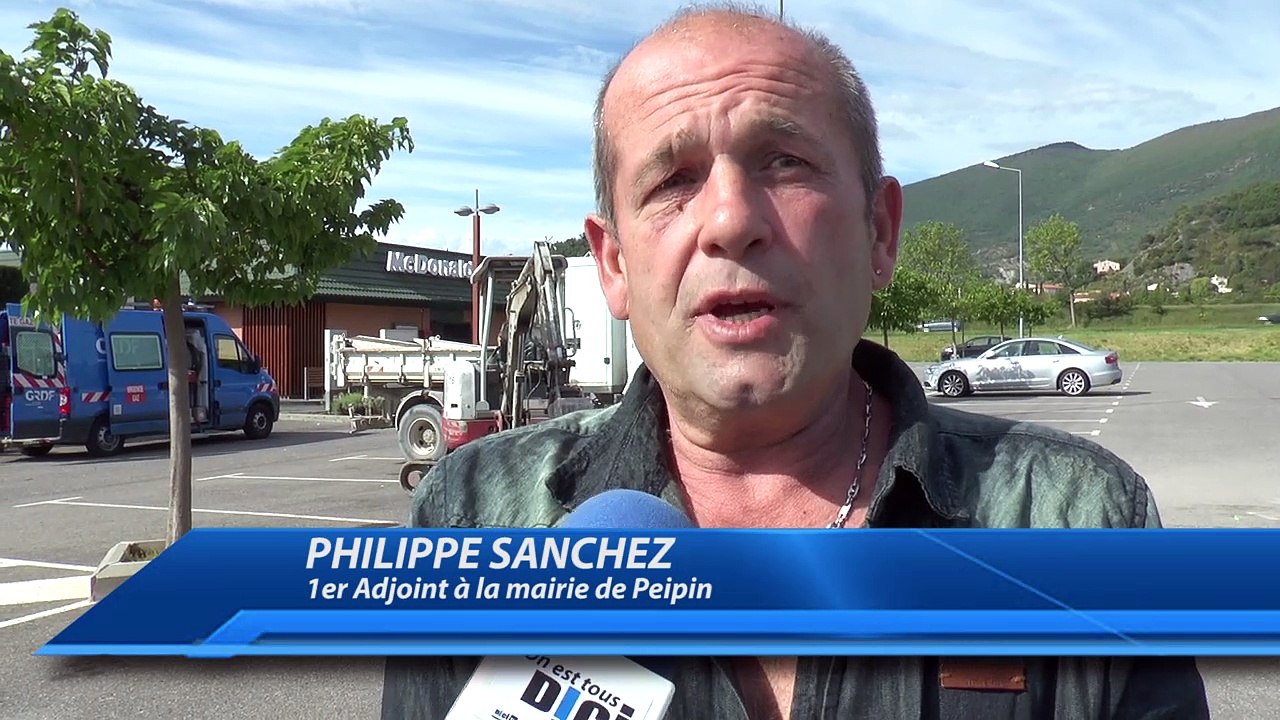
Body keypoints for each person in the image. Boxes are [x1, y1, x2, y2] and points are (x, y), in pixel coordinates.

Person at [381, 3, 1211, 718]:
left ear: (879, 231)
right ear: (614, 266)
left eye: (785, 162)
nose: (731, 220)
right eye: (673, 179)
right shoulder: (470, 517)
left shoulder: (1082, 522)